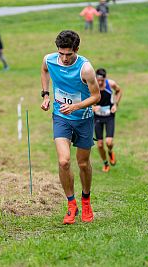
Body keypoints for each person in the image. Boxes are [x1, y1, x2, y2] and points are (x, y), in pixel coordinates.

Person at [40, 30, 101, 224]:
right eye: (61, 53)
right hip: (61, 117)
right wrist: (46, 95)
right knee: (64, 161)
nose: (64, 58)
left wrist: (75, 106)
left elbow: (96, 97)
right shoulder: (50, 60)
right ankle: (71, 203)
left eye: (69, 54)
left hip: (83, 118)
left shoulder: (86, 69)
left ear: (76, 50)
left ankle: (86, 200)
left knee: (83, 163)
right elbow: (44, 71)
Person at [92, 68, 123, 172]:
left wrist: (115, 104)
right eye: (98, 80)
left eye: (102, 80)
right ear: (95, 78)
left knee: (109, 142)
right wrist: (92, 107)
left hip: (109, 115)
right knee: (100, 144)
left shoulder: (111, 84)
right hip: (97, 117)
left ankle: (110, 152)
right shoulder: (91, 85)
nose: (100, 82)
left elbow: (119, 91)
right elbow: (84, 99)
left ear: (105, 78)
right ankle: (105, 163)